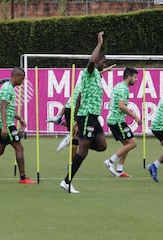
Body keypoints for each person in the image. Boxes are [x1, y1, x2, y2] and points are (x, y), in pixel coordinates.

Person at [59, 31, 107, 193]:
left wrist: (75, 119)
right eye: (103, 62)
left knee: (102, 146)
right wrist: (99, 43)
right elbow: (91, 61)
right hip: (86, 116)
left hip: (93, 117)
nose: (104, 65)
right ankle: (67, 182)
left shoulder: (98, 77)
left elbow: (79, 97)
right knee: (83, 150)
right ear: (98, 61)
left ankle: (74, 140)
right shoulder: (89, 72)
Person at [0, 67, 37, 185]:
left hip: (5, 123)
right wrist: (4, 127)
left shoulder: (9, 88)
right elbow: (3, 109)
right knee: (19, 148)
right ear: (16, 77)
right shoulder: (7, 89)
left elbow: (7, 109)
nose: (23, 82)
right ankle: (23, 178)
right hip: (7, 125)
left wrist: (19, 119)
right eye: (22, 79)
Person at [104, 68, 141, 177]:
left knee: (127, 144)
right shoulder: (124, 89)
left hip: (115, 119)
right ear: (129, 77)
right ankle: (110, 161)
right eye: (135, 77)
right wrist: (135, 117)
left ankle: (120, 170)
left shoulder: (119, 86)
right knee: (132, 143)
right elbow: (121, 106)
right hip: (117, 120)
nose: (136, 80)